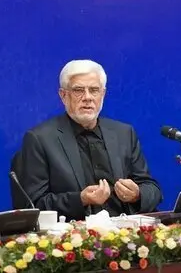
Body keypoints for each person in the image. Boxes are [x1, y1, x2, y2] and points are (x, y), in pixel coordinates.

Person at [19, 59, 162, 220]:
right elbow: (32, 206)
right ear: (63, 95)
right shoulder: (40, 139)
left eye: (94, 90)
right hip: (74, 232)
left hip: (126, 228)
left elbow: (152, 189)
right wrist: (80, 199)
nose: (87, 97)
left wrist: (137, 194)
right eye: (78, 90)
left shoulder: (124, 133)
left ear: (103, 94)